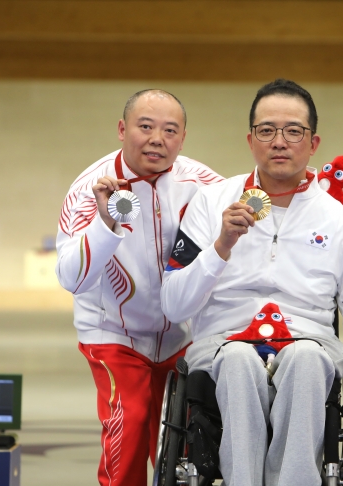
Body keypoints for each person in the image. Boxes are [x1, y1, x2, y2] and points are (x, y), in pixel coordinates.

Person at [160, 79, 343, 486]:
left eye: (293, 131)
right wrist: (221, 246)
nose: (279, 141)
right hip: (221, 349)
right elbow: (174, 306)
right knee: (238, 360)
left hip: (310, 347)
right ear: (251, 140)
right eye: (267, 131)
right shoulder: (211, 204)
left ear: (313, 143)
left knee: (305, 359)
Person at [55, 89, 223, 486]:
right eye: (145, 126)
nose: (157, 139)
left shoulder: (204, 183)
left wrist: (324, 196)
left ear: (182, 138)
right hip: (114, 333)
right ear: (121, 129)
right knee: (127, 428)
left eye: (170, 130)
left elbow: (257, 207)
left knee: (180, 443)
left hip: (180, 334)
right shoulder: (87, 190)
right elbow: (70, 279)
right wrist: (105, 225)